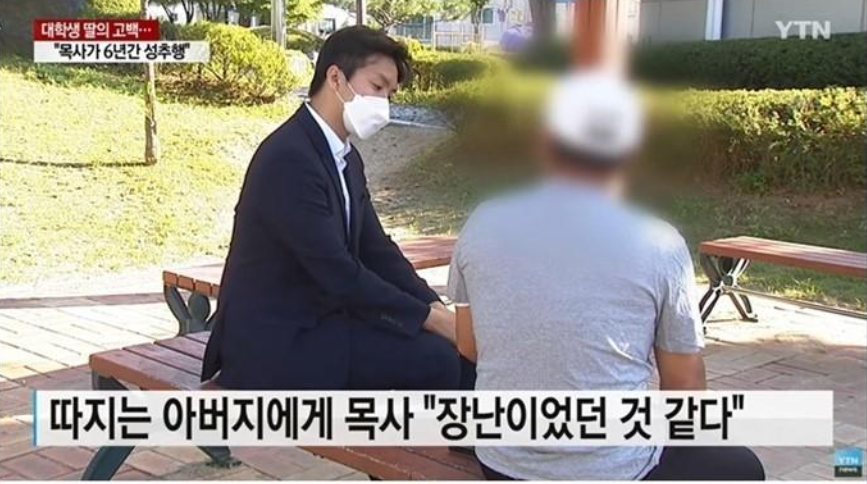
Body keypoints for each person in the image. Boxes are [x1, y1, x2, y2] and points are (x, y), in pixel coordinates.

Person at [447, 71, 764, 480]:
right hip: (614, 469)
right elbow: (684, 386)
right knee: (740, 466)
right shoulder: (659, 244)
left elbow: (470, 346)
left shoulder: (482, 222)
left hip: (502, 463)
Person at [202, 26, 473, 391]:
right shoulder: (289, 157)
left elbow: (377, 250)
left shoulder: (346, 158)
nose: (384, 103)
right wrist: (430, 319)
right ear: (335, 78)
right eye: (377, 86)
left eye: (390, 94)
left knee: (458, 353)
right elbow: (338, 272)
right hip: (274, 341)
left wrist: (435, 305)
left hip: (324, 321)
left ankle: (480, 428)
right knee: (437, 358)